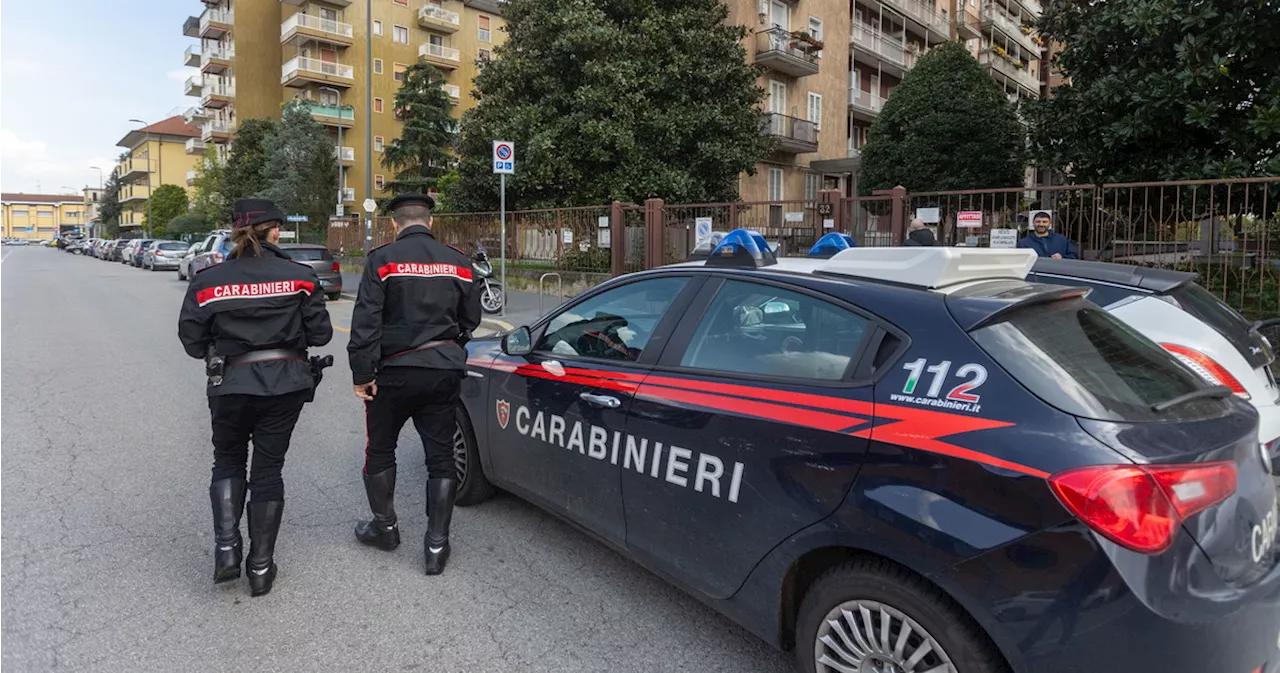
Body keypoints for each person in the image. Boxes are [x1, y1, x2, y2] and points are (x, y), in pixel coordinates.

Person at [177, 198, 333, 597]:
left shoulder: (208, 278)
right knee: (268, 470)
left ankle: (227, 550)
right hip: (285, 384)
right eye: (277, 227)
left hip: (229, 383)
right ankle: (261, 568)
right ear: (273, 230)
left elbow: (193, 343)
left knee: (227, 459)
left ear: (235, 231)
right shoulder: (299, 276)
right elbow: (321, 335)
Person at [348, 192, 483, 575]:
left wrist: (362, 375)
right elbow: (470, 318)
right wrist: (449, 347)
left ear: (394, 223)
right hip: (441, 372)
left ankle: (385, 529)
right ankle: (437, 546)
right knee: (440, 457)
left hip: (392, 373)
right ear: (430, 222)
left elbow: (366, 322)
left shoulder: (382, 260)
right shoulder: (458, 262)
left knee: (380, 450)